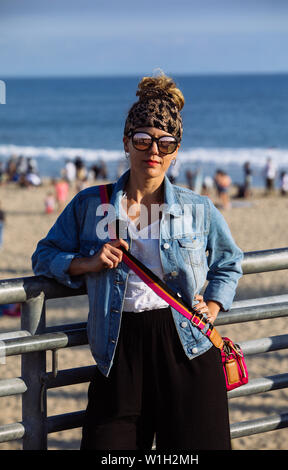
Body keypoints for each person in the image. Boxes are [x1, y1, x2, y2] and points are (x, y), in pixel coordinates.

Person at [31, 72, 243, 451]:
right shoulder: (90, 204)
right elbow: (43, 256)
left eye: (165, 143)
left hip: (186, 343)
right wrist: (87, 263)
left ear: (176, 151)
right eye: (143, 140)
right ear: (126, 143)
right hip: (118, 347)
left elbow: (229, 261)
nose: (154, 152)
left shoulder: (198, 208)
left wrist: (211, 306)